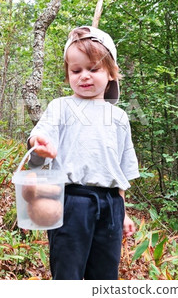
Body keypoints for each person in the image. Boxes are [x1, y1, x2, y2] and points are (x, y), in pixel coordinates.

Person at [27, 25, 140, 280]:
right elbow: (38, 140)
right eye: (76, 70)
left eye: (94, 69)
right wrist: (40, 143)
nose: (84, 76)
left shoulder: (119, 117)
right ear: (68, 74)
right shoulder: (61, 107)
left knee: (104, 273)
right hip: (70, 201)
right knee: (68, 272)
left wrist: (122, 212)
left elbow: (119, 171)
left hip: (111, 205)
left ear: (111, 73)